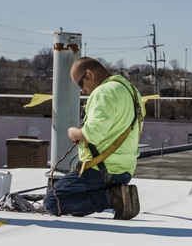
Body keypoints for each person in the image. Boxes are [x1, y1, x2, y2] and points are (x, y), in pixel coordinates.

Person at [43, 57, 143, 220]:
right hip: (125, 171)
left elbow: (93, 134)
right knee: (74, 207)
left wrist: (74, 133)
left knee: (53, 201)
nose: (82, 90)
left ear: (89, 74)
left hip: (100, 171)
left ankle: (111, 198)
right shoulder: (131, 90)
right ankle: (116, 195)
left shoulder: (104, 92)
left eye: (80, 84)